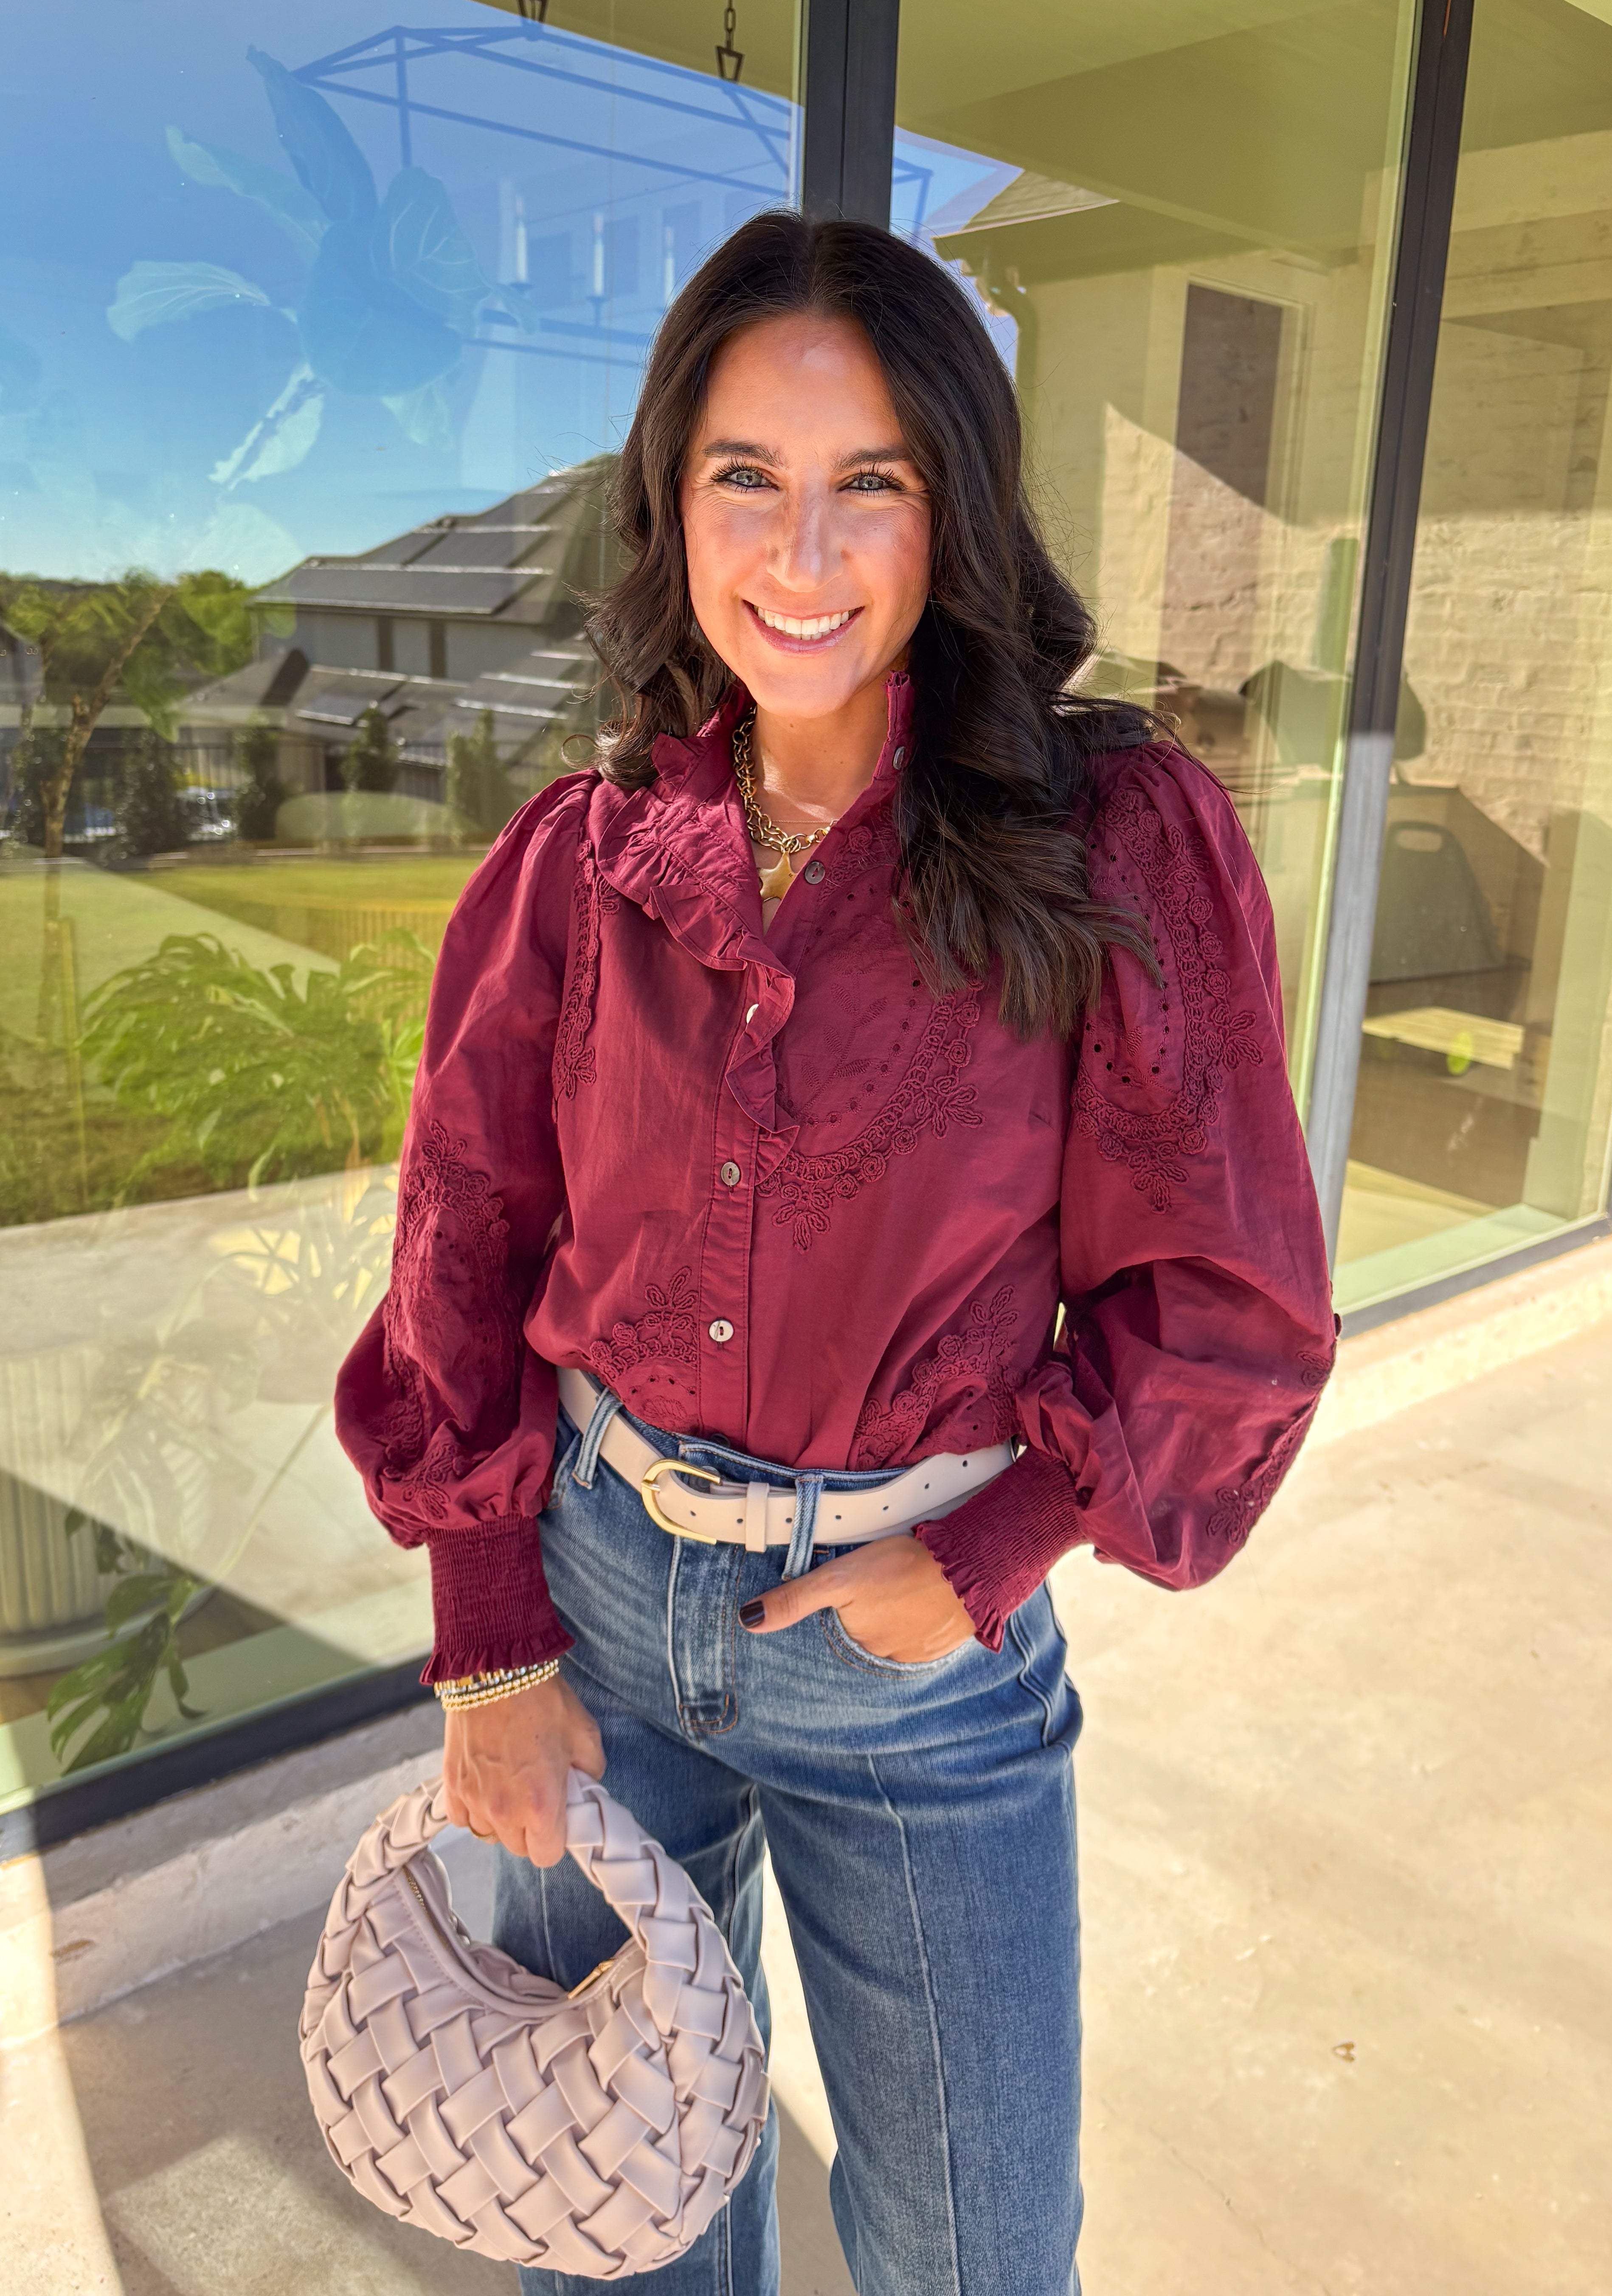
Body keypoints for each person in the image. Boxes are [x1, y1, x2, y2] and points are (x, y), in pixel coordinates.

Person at [336, 211, 1336, 2296]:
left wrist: (988, 1558)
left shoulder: (1106, 841)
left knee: (971, 2247)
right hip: (602, 1616)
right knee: (618, 2217)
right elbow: (467, 1237)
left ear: (950, 503)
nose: (804, 557)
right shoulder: (580, 865)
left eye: (867, 481)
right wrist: (493, 1643)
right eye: (747, 481)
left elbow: (1226, 1293)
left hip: (917, 1658)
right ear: (669, 506)